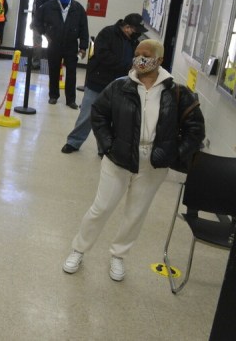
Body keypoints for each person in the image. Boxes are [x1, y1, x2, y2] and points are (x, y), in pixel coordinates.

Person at [62, 39, 205, 281]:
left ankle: (118, 256)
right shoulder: (119, 87)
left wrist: (173, 153)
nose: (140, 59)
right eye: (137, 54)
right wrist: (107, 145)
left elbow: (195, 130)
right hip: (118, 158)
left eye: (146, 55)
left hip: (153, 162)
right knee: (102, 207)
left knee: (135, 212)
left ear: (159, 60)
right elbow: (98, 114)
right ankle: (79, 249)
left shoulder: (177, 92)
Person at [61, 13, 146, 154]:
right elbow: (103, 55)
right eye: (135, 30)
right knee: (87, 114)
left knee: (111, 119)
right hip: (98, 82)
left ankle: (105, 147)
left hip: (119, 85)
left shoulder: (133, 41)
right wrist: (126, 66)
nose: (137, 34)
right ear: (126, 27)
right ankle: (74, 142)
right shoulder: (107, 33)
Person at [33, 0, 88, 108]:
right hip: (54, 44)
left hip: (71, 45)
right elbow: (37, 21)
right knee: (53, 71)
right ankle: (53, 96)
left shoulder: (78, 8)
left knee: (71, 73)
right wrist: (45, 33)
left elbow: (84, 28)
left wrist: (83, 47)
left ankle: (71, 100)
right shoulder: (48, 7)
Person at [30, 0, 53, 69]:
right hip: (37, 22)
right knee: (36, 42)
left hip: (42, 23)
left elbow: (46, 8)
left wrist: (40, 22)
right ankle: (35, 62)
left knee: (43, 42)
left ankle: (38, 63)